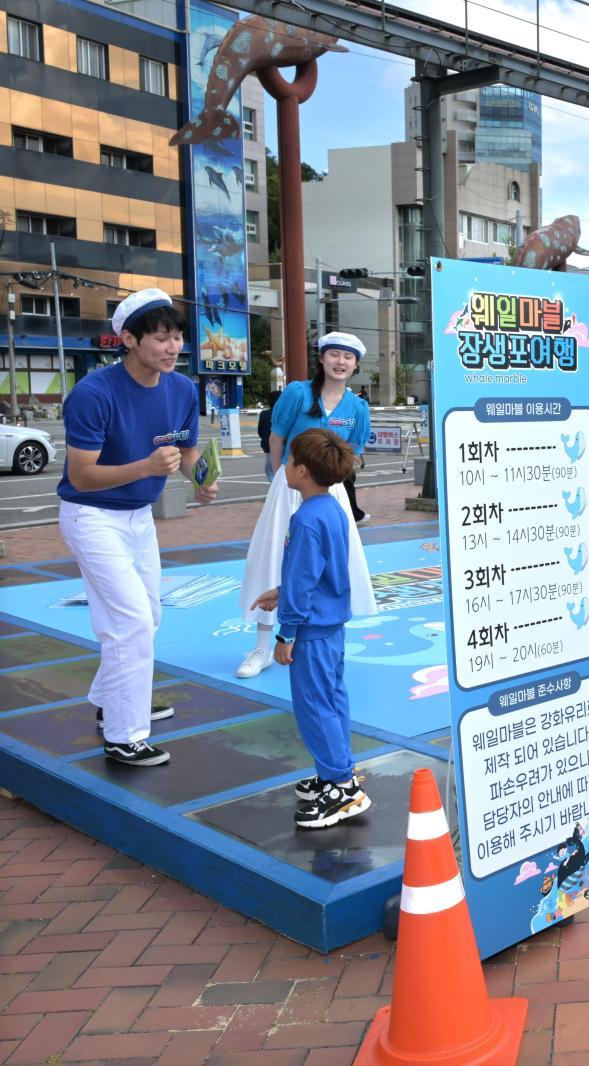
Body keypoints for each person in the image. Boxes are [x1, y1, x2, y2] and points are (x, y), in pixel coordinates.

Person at [57, 288, 219, 767]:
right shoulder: (93, 393)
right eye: (161, 338)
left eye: (177, 338)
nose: (172, 348)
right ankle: (124, 735)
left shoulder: (182, 389)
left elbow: (186, 451)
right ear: (128, 339)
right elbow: (82, 476)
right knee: (128, 621)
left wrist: (201, 480)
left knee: (146, 617)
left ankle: (114, 697)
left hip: (138, 517)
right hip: (91, 516)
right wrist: (147, 467)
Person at [249, 429, 372, 827]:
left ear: (302, 470)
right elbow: (315, 574)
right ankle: (337, 768)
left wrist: (286, 633)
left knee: (314, 707)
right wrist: (282, 593)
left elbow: (303, 579)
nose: (283, 466)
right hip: (331, 624)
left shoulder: (305, 519)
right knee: (333, 700)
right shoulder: (333, 509)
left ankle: (342, 788)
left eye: (288, 461)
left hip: (311, 630)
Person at [236, 333, 376, 680]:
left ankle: (323, 636)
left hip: (332, 492)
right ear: (322, 359)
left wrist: (335, 479)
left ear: (356, 364)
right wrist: (281, 475)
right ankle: (262, 646)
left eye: (348, 357)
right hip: (289, 486)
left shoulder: (357, 407)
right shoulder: (298, 393)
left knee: (332, 562)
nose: (340, 362)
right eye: (334, 355)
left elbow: (354, 450)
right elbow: (277, 437)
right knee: (274, 559)